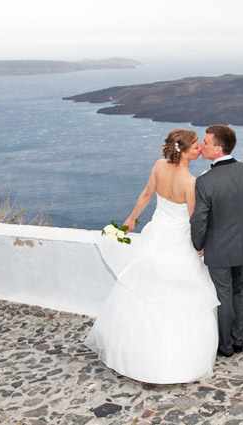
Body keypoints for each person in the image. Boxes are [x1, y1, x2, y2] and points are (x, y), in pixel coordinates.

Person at [85, 128, 220, 384]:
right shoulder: (191, 182)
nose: (200, 148)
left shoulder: (159, 166)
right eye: (196, 146)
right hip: (178, 241)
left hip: (156, 235)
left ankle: (133, 355)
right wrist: (203, 243)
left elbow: (146, 194)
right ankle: (173, 363)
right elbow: (194, 220)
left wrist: (131, 219)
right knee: (179, 294)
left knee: (141, 290)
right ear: (184, 151)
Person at [190, 125, 243, 357]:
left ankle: (225, 347)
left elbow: (199, 220)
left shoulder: (205, 181)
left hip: (218, 247)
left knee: (223, 295)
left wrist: (198, 244)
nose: (201, 146)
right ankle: (238, 340)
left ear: (218, 148)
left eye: (205, 142)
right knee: (240, 289)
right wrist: (240, 224)